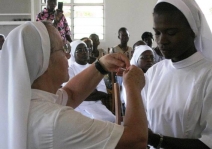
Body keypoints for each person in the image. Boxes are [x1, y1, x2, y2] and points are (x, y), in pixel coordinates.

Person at [0, 21, 148, 149]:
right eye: (63, 49)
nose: (68, 55)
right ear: (44, 61)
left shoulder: (26, 101)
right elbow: (135, 141)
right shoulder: (54, 120)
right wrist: (133, 87)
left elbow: (70, 94)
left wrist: (101, 66)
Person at [143, 0, 212, 149]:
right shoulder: (153, 73)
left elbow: (211, 143)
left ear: (193, 31)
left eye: (171, 33)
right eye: (157, 33)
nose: (162, 41)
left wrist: (157, 140)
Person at [66, 40, 115, 122]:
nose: (84, 52)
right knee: (94, 121)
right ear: (73, 54)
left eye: (86, 49)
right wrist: (92, 91)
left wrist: (82, 92)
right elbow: (71, 95)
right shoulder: (70, 70)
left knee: (112, 119)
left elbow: (103, 93)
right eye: (80, 50)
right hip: (78, 106)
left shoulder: (95, 68)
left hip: (96, 105)